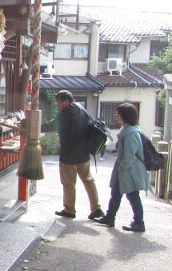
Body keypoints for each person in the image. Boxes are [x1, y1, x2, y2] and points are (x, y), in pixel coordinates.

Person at [94, 103, 149, 232]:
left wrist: (122, 168)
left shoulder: (129, 133)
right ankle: (110, 217)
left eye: (118, 113)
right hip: (127, 170)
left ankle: (138, 222)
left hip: (129, 170)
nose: (116, 116)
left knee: (132, 196)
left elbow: (129, 154)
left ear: (125, 116)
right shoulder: (130, 130)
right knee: (118, 194)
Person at [53, 90, 104, 219]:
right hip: (84, 153)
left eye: (59, 102)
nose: (57, 104)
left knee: (69, 183)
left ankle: (69, 210)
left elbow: (52, 125)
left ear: (66, 101)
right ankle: (96, 208)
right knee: (88, 181)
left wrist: (31, 124)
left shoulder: (64, 115)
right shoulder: (81, 109)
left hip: (69, 155)